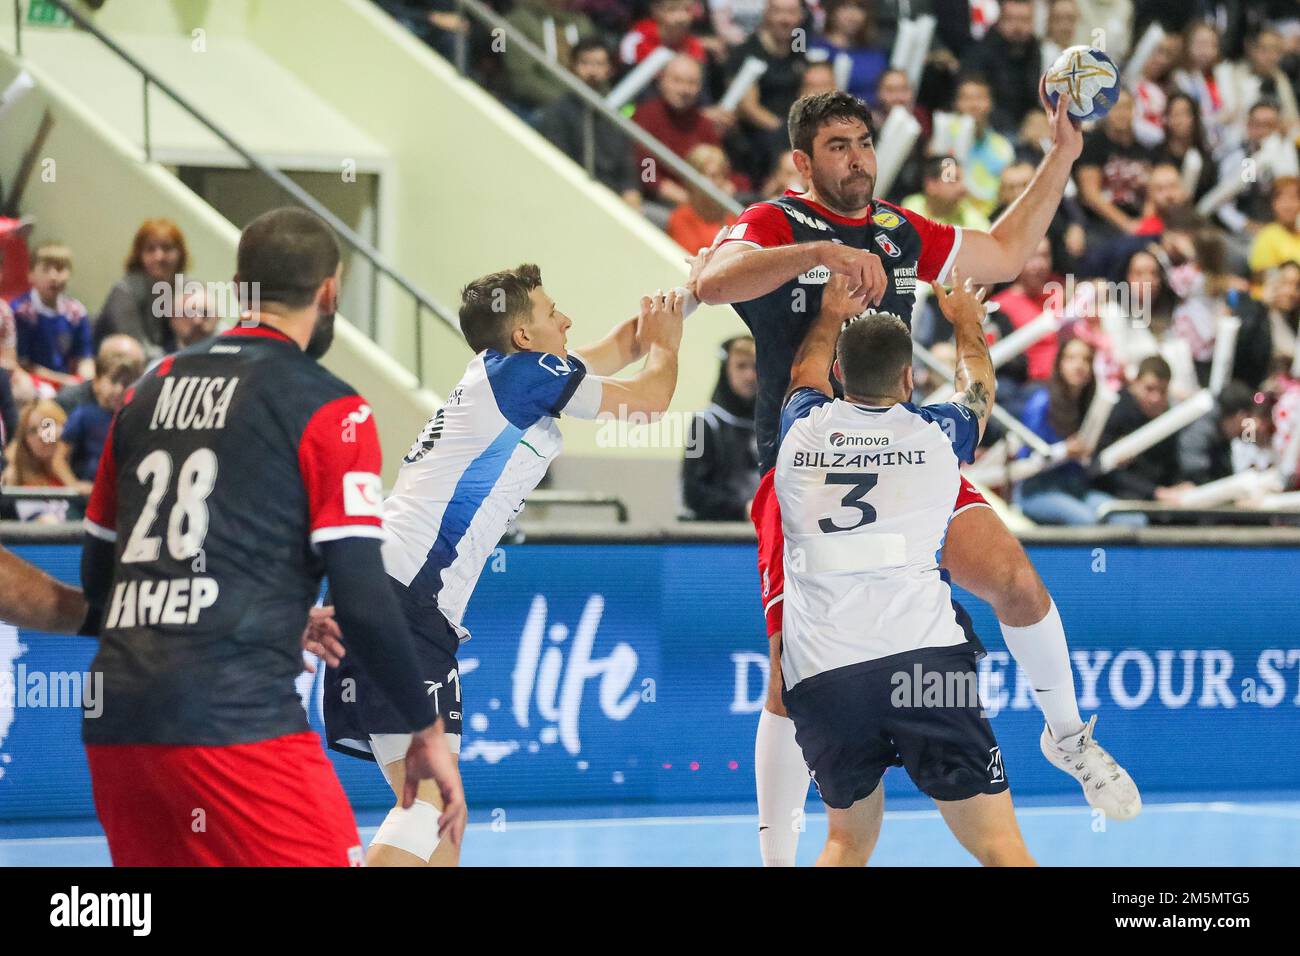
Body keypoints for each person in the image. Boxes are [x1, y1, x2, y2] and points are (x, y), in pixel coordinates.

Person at [694, 87, 1141, 865]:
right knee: (783, 673)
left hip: (906, 454)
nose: (858, 157)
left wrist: (1063, 154)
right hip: (807, 468)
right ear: (803, 161)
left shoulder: (898, 229)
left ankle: (1067, 737)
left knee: (1019, 584)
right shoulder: (776, 223)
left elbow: (1002, 254)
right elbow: (711, 283)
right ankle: (774, 855)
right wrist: (822, 255)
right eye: (838, 146)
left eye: (863, 141)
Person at [77, 207, 465, 867]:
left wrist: (266, 610)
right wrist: (424, 727)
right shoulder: (329, 406)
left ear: (239, 285)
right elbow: (364, 599)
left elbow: (100, 580)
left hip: (117, 719)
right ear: (329, 292)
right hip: (237, 723)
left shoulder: (146, 391)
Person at [324, 265, 688, 867]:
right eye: (552, 312)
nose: (566, 320)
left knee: (438, 814)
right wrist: (670, 345)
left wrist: (691, 293)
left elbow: (619, 347)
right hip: (406, 597)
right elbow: (648, 404)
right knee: (429, 804)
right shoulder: (526, 374)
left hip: (382, 589)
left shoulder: (501, 372)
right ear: (524, 336)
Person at [777, 267, 1037, 866]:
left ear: (839, 375)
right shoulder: (937, 435)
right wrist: (968, 323)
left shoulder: (800, 429)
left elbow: (801, 373)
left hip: (823, 675)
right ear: (909, 377)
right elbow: (979, 391)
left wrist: (826, 316)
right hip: (925, 664)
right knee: (999, 845)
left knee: (845, 842)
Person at [1014, 337, 1131, 525]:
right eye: (1071, 358)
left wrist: (1112, 459)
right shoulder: (1042, 402)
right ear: (1059, 363)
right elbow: (1026, 462)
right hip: (1037, 489)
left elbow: (1086, 464)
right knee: (1087, 520)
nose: (1079, 365)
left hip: (1075, 488)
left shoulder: (1091, 406)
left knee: (1131, 519)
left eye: (1086, 360)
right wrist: (1065, 451)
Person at [536, 39, 642, 209]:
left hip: (615, 198)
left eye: (599, 64)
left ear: (610, 70)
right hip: (574, 196)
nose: (592, 71)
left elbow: (627, 166)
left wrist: (631, 192)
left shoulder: (617, 112)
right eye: (585, 63)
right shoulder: (557, 111)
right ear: (572, 67)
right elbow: (558, 163)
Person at [1094, 355, 1193, 504]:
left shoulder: (1168, 418)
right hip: (1118, 492)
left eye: (1162, 391)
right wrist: (1155, 492)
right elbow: (1102, 469)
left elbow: (1171, 465)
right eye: (1149, 389)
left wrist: (1179, 485)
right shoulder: (1114, 411)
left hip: (1158, 494)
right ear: (1135, 384)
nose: (1156, 398)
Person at [682, 335, 759, 521]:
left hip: (760, 535)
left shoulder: (772, 423)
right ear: (726, 370)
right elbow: (693, 492)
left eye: (756, 367)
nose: (750, 375)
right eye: (741, 366)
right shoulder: (703, 424)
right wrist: (744, 509)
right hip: (714, 539)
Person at [94, 219, 187, 359]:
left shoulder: (188, 288)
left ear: (180, 253)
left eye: (167, 248)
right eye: (150, 249)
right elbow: (138, 349)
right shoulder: (124, 291)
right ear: (139, 255)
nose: (159, 257)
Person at [12, 243, 94, 389]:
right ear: (30, 274)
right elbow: (23, 364)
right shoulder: (21, 312)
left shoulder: (76, 312)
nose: (54, 276)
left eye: (60, 269)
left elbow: (84, 357)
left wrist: (87, 380)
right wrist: (64, 381)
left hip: (70, 384)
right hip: (35, 384)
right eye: (46, 269)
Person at [61, 344, 144, 482]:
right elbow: (57, 457)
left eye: (126, 383)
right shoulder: (79, 410)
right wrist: (73, 484)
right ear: (97, 379)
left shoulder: (135, 417)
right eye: (113, 381)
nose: (119, 390)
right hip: (87, 492)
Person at [2, 399, 84, 523]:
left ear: (65, 427)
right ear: (26, 442)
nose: (41, 435)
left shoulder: (84, 469)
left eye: (47, 425)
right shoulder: (21, 485)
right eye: (32, 431)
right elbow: (49, 530)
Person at [1178, 379, 1259, 485]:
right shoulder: (1202, 428)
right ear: (1240, 416)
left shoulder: (1222, 431)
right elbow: (1196, 473)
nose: (1247, 429)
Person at [666, 144, 739, 253]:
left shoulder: (732, 216)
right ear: (692, 180)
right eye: (712, 176)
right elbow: (692, 260)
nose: (718, 182)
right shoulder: (681, 217)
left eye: (721, 176)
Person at [1249, 176, 1300, 279]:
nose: (1288, 205)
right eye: (1282, 199)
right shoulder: (1267, 235)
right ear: (1273, 203)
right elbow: (1264, 277)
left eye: (1294, 198)